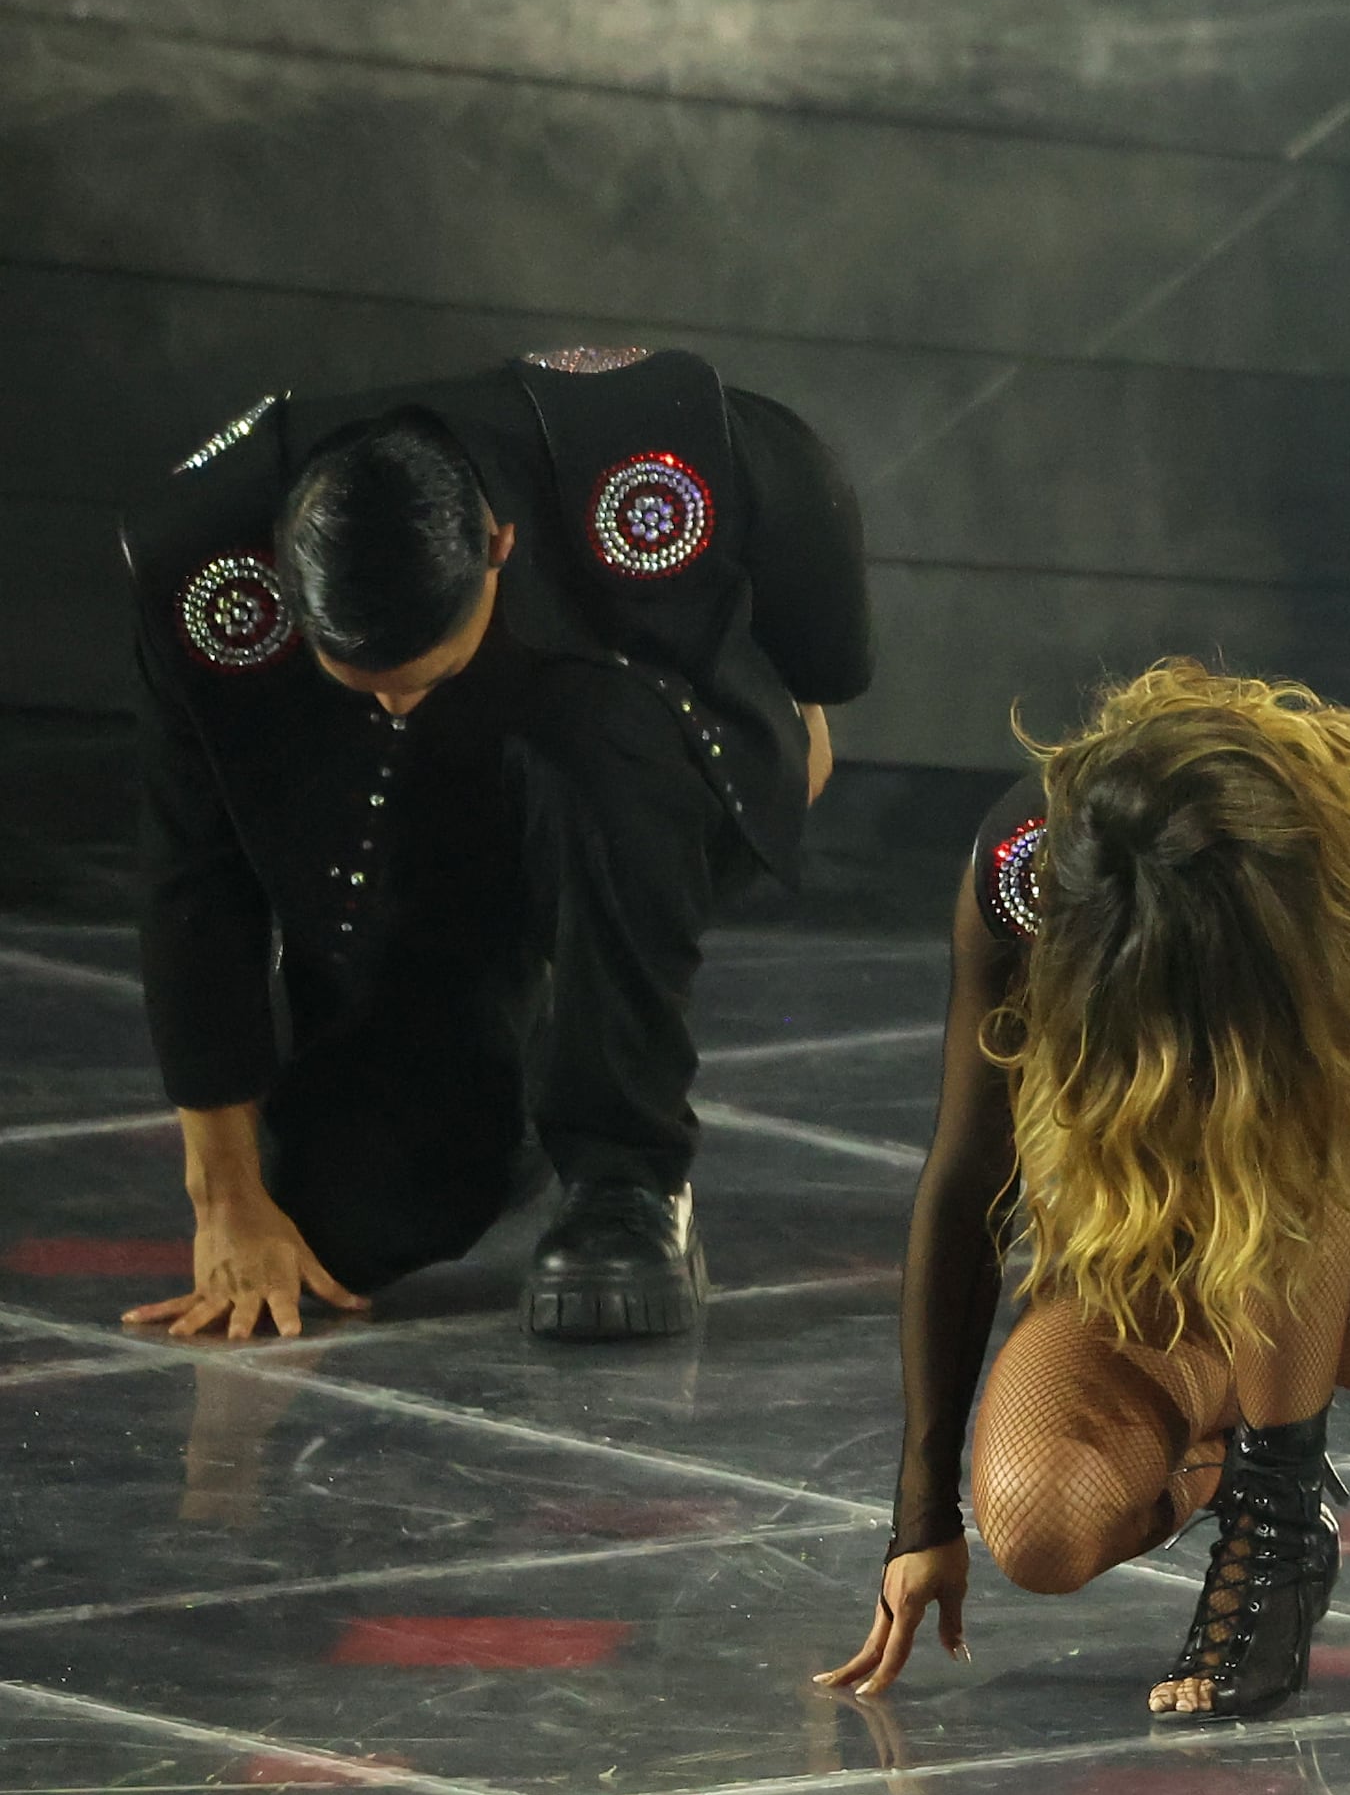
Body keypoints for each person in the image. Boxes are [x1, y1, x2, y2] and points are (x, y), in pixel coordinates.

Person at [819, 662, 1350, 1723]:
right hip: (1179, 1271)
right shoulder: (1024, 868)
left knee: (1290, 1109)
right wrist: (920, 1516)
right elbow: (969, 1178)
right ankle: (1237, 1463)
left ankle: (1279, 1528)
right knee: (1040, 1525)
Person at [123, 344, 870, 1344]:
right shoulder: (203, 567)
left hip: (632, 793)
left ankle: (624, 1177)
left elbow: (797, 476)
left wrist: (809, 694)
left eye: (426, 673)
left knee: (604, 739)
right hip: (420, 853)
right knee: (345, 1227)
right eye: (369, 686)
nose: (398, 703)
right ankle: (511, 1095)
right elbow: (193, 873)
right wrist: (227, 1198)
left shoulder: (634, 440)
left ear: (500, 545)